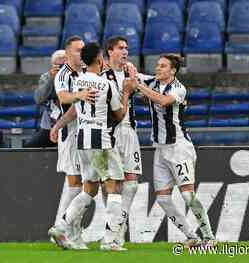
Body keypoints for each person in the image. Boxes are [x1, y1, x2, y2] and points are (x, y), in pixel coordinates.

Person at [48, 42, 133, 251]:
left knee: (90, 188)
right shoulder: (106, 84)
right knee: (113, 186)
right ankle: (110, 241)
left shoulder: (77, 82)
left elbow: (70, 104)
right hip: (101, 139)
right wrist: (127, 93)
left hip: (83, 139)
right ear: (100, 59)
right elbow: (120, 114)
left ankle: (60, 226)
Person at [131, 54, 217, 247]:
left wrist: (141, 88)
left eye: (163, 66)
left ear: (173, 71)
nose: (158, 68)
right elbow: (133, 75)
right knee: (162, 198)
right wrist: (127, 67)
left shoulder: (179, 88)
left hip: (179, 147)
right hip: (160, 149)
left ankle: (210, 237)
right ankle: (191, 236)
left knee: (188, 195)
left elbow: (163, 101)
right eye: (157, 65)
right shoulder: (152, 81)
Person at [49, 36, 96, 250]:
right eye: (77, 50)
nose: (81, 53)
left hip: (88, 130)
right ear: (68, 53)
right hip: (71, 133)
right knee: (75, 183)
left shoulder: (87, 72)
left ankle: (67, 231)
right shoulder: (63, 74)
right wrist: (82, 95)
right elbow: (65, 99)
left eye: (83, 49)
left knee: (85, 183)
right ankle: (68, 233)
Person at [100, 36, 142, 246]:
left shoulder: (130, 72)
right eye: (120, 48)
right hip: (111, 132)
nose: (125, 52)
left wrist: (136, 82)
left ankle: (118, 228)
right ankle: (112, 233)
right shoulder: (102, 75)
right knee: (113, 184)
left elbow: (143, 88)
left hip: (129, 131)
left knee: (132, 184)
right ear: (110, 51)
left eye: (126, 48)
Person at [24, 50, 67, 148]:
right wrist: (51, 79)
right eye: (58, 65)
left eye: (64, 65)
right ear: (52, 65)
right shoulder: (46, 77)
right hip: (49, 125)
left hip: (69, 124)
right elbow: (38, 99)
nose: (61, 68)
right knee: (29, 147)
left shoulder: (75, 77)